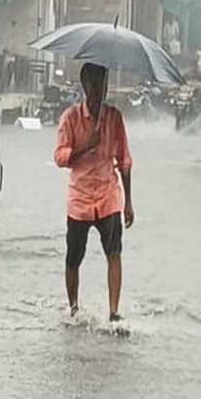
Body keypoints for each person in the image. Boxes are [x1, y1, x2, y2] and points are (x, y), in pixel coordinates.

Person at [53, 62, 134, 322]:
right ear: (85, 86)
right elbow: (60, 157)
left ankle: (114, 311)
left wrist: (129, 202)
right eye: (94, 85)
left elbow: (125, 161)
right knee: (73, 258)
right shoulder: (70, 118)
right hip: (80, 198)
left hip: (109, 195)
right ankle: (74, 308)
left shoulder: (114, 118)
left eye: (102, 85)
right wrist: (85, 146)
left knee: (114, 252)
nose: (99, 91)